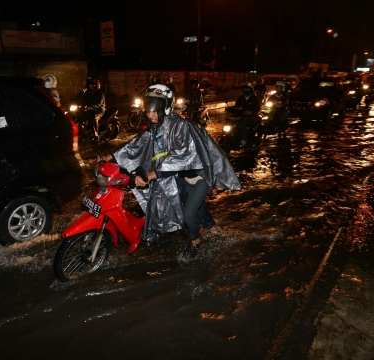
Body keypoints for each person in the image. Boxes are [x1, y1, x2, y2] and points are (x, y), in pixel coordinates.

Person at [98, 84, 241, 258]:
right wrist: (109, 157)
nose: (150, 115)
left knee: (188, 213)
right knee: (190, 203)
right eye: (148, 110)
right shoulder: (155, 127)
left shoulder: (181, 126)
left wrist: (150, 175)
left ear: (165, 107)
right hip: (180, 177)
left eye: (154, 110)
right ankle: (211, 225)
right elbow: (135, 145)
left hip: (198, 175)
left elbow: (179, 156)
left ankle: (195, 240)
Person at [233, 82, 261, 147]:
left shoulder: (255, 98)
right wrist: (230, 109)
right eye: (244, 89)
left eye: (247, 89)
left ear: (251, 89)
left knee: (243, 122)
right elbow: (236, 106)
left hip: (251, 117)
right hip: (241, 115)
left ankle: (244, 139)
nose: (245, 90)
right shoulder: (240, 98)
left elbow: (257, 108)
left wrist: (251, 112)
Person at [82, 77, 106, 141]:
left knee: (94, 118)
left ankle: (96, 134)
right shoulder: (90, 93)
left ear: (96, 86)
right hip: (91, 110)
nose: (91, 87)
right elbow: (85, 100)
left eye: (92, 86)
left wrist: (90, 107)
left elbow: (99, 104)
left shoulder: (100, 93)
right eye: (90, 86)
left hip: (99, 110)